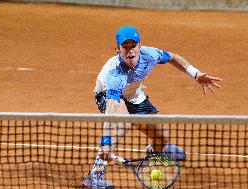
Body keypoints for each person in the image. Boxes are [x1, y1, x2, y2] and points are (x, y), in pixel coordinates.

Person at [84, 26, 222, 188]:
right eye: (125, 47)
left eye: (133, 46)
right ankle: (95, 175)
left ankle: (155, 151)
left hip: (135, 95)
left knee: (162, 137)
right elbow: (111, 110)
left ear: (140, 46)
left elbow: (173, 57)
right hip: (110, 96)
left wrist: (196, 74)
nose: (130, 51)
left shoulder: (150, 54)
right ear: (118, 49)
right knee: (122, 123)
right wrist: (106, 142)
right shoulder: (114, 74)